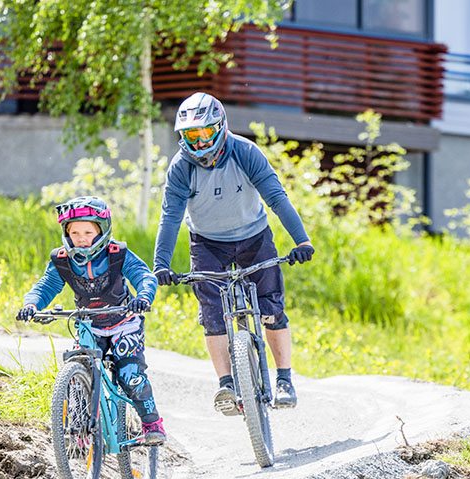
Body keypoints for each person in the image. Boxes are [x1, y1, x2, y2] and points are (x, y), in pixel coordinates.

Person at [153, 92, 314, 415]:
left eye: (205, 134)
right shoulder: (181, 167)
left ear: (221, 127)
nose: (199, 144)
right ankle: (226, 384)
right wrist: (161, 264)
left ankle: (283, 379)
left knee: (271, 309)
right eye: (190, 136)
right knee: (213, 316)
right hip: (206, 242)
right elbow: (170, 217)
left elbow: (277, 199)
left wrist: (301, 241)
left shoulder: (245, 152)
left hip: (254, 237)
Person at [16, 196, 166, 445]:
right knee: (77, 370)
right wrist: (31, 305)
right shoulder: (62, 260)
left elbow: (144, 276)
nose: (81, 238)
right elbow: (46, 286)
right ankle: (78, 430)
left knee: (131, 376)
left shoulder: (117, 254)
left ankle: (152, 424)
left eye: (88, 231)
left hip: (124, 323)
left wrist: (143, 296)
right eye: (74, 232)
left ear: (102, 230)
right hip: (88, 325)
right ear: (66, 233)